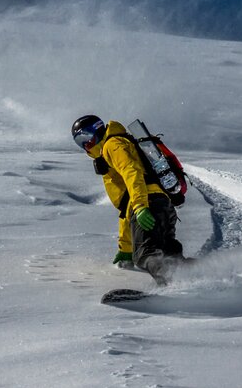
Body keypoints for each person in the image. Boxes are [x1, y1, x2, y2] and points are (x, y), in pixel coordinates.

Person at [72, 114, 184, 284]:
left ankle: (174, 287)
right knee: (168, 254)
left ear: (97, 130)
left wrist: (140, 207)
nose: (86, 145)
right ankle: (197, 277)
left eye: (86, 137)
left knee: (146, 254)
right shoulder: (110, 149)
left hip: (148, 204)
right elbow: (126, 206)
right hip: (160, 204)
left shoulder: (112, 145)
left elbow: (133, 173)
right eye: (80, 142)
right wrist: (125, 249)